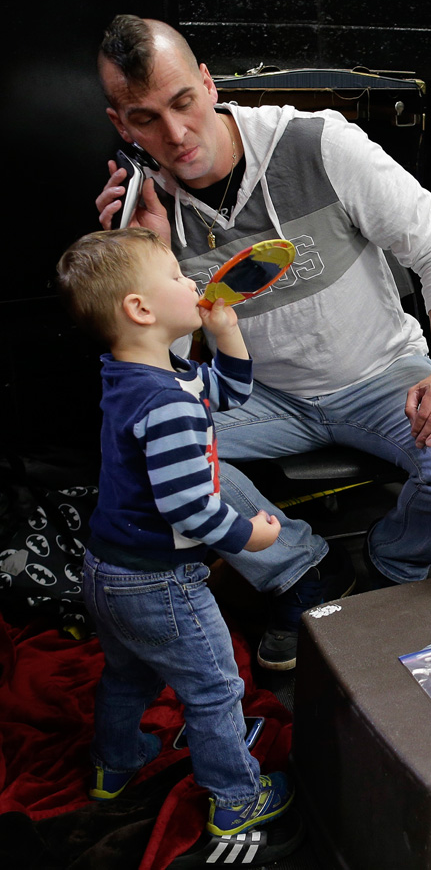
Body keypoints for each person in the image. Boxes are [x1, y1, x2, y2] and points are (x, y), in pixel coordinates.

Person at [93, 16, 431, 671]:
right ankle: (296, 568)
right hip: (260, 395)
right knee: (145, 447)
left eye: (183, 102)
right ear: (123, 127)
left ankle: (391, 558)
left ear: (207, 84)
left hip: (381, 374)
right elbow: (162, 375)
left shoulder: (317, 144)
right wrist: (149, 263)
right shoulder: (148, 210)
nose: (175, 135)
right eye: (146, 119)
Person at [55, 227, 293, 837]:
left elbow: (228, 394)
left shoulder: (134, 375)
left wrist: (226, 334)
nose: (194, 283)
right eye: (177, 277)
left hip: (107, 571)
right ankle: (236, 798)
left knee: (128, 674)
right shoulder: (168, 404)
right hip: (159, 583)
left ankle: (115, 764)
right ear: (140, 308)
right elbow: (190, 508)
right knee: (217, 687)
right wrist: (250, 536)